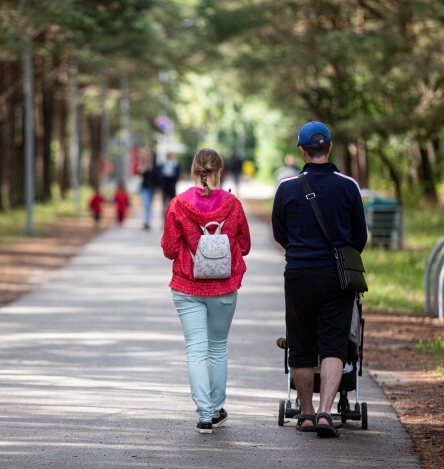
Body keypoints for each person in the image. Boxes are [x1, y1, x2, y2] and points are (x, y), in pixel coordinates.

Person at [271, 121, 367, 438]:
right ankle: (327, 412)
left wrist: (300, 251)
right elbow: (359, 236)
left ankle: (307, 413)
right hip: (336, 276)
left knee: (300, 345)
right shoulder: (348, 186)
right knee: (333, 345)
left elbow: (280, 233)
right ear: (329, 147)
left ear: (301, 150)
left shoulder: (286, 188)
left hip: (298, 273)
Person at [161, 148, 251, 434]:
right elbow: (245, 246)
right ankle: (216, 408)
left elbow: (169, 249)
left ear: (193, 171)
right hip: (224, 286)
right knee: (217, 348)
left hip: (187, 286)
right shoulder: (233, 205)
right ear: (219, 171)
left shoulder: (178, 205)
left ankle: (204, 415)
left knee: (196, 350)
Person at [136, 150, 157, 230]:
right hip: (144, 188)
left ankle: (149, 221)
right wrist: (145, 166)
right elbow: (139, 172)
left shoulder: (154, 164)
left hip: (151, 188)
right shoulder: (142, 164)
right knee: (146, 204)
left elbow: (156, 176)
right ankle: (146, 221)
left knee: (149, 205)